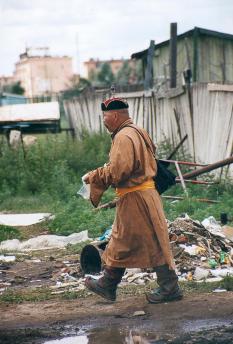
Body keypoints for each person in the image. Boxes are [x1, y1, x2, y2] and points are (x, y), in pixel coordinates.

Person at [84, 97, 183, 303]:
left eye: (105, 116)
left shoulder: (123, 136)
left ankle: (167, 287)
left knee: (127, 240)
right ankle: (109, 285)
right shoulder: (138, 131)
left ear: (116, 115)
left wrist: (95, 176)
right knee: (125, 240)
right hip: (145, 194)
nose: (103, 120)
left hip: (135, 197)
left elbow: (119, 172)